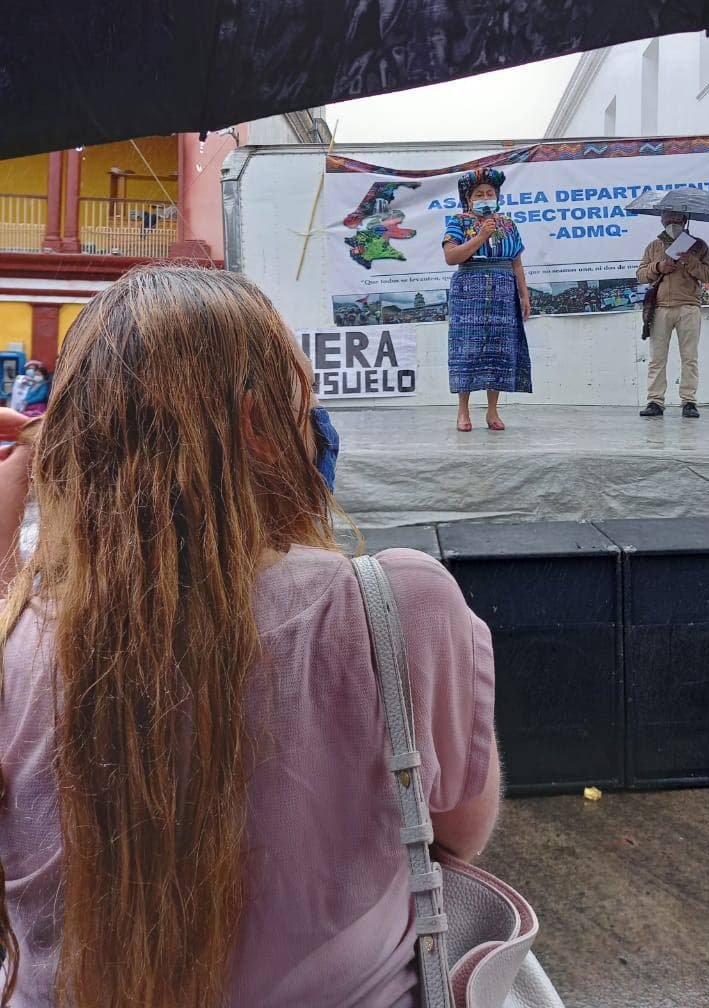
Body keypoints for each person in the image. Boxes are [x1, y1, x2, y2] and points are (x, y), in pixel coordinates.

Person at [0, 266, 499, 1008]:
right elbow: (458, 834)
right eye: (303, 397)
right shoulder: (399, 605)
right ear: (261, 427)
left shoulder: (15, 643)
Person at [442, 168, 532, 432]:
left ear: (497, 196)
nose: (485, 197)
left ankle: (493, 411)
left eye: (489, 193)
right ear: (469, 199)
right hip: (469, 289)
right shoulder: (458, 222)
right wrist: (480, 236)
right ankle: (463, 411)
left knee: (499, 350)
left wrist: (524, 294)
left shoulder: (508, 224)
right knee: (467, 349)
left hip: (504, 290)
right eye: (479, 194)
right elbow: (451, 257)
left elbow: (516, 263)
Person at [636, 210, 709, 419]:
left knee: (689, 357)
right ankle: (655, 401)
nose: (671, 222)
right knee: (657, 358)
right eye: (667, 219)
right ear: (661, 221)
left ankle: (689, 401)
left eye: (676, 218)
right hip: (660, 307)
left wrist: (690, 261)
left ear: (685, 220)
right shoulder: (654, 246)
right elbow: (641, 274)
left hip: (688, 306)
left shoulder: (698, 245)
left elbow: (707, 275)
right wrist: (659, 266)